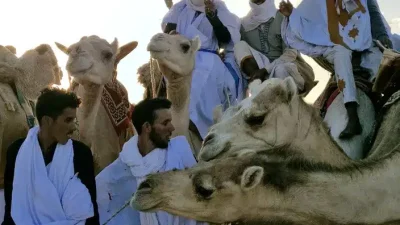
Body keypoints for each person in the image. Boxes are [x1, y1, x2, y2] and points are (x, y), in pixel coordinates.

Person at [279, 0, 386, 139]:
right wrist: (292, 14)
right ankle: (352, 115)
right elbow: (308, 24)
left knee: (383, 66)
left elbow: (371, 19)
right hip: (335, 50)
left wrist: (382, 36)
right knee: (341, 53)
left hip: (367, 47)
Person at [96, 98, 206, 225]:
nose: (172, 127)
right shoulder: (115, 174)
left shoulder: (180, 153)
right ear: (147, 127)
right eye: (165, 123)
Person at [2, 88, 99, 225]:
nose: (73, 127)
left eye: (74, 120)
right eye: (68, 120)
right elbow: (12, 207)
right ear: (47, 121)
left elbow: (91, 212)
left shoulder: (80, 153)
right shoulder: (17, 151)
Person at [161, 0, 243, 139]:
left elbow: (226, 38)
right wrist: (173, 34)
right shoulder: (181, 8)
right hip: (182, 55)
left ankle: (199, 126)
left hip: (208, 56)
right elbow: (168, 30)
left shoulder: (218, 8)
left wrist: (213, 17)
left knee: (201, 77)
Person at [234, 0, 317, 95]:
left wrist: (266, 70)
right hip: (262, 74)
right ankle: (258, 85)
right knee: (239, 46)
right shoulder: (244, 25)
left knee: (280, 70)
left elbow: (291, 54)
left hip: (288, 67)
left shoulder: (282, 16)